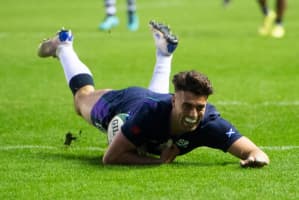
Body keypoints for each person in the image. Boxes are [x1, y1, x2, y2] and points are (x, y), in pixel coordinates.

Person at [37, 21, 269, 167]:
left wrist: (256, 157)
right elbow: (111, 157)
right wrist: (156, 161)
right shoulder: (148, 114)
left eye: (199, 107)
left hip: (154, 107)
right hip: (123, 104)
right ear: (174, 99)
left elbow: (254, 151)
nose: (194, 113)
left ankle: (164, 54)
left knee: (160, 115)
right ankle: (64, 46)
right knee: (81, 99)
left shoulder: (208, 122)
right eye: (188, 105)